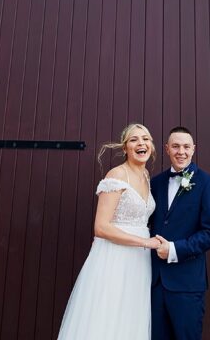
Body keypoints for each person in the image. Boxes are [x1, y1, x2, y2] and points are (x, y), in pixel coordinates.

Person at [58, 123, 160, 340]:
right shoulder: (117, 175)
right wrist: (146, 242)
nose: (141, 143)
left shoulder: (146, 176)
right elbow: (101, 227)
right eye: (134, 140)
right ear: (125, 148)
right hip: (114, 257)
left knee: (130, 314)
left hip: (138, 261)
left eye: (145, 139)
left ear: (151, 146)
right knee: (107, 313)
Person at [150, 126, 210, 340]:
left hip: (187, 284)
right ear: (167, 149)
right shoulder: (155, 183)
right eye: (175, 146)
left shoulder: (207, 183)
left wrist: (174, 249)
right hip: (154, 283)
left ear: (193, 149)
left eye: (185, 147)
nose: (181, 151)